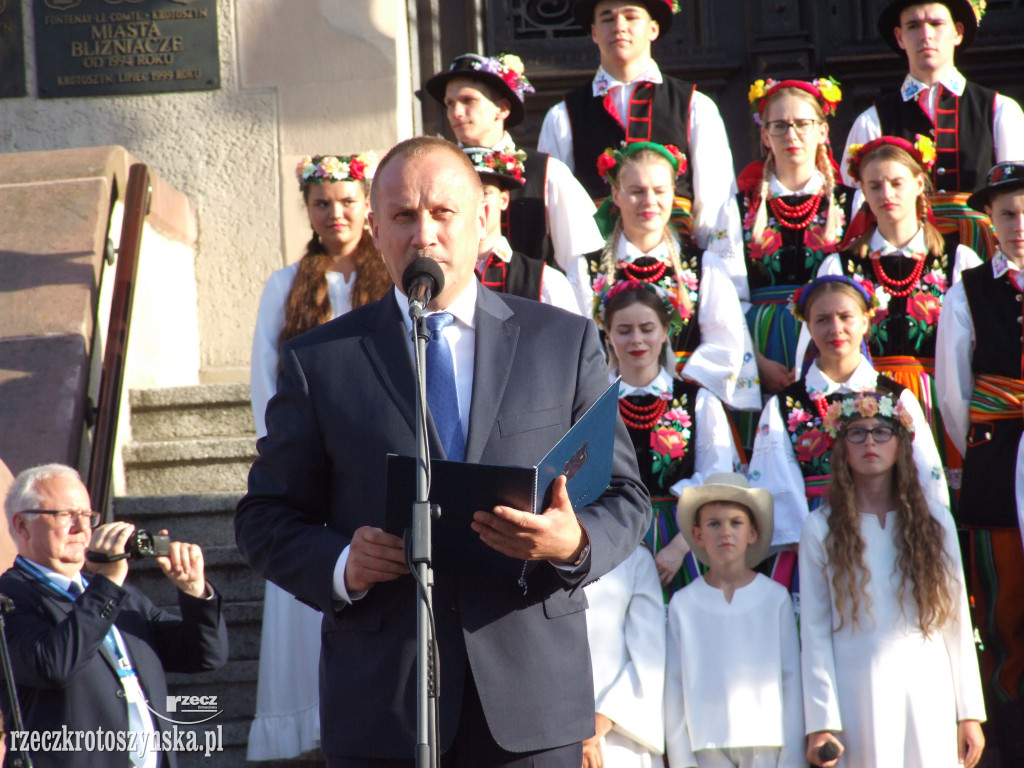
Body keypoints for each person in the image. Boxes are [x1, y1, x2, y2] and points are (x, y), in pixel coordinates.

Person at [234, 136, 650, 767]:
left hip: (531, 703)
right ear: (376, 230)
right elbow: (263, 517)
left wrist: (572, 542)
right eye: (402, 216)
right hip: (385, 705)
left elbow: (624, 495)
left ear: (484, 220)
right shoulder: (322, 361)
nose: (422, 234)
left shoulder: (561, 343)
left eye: (442, 213)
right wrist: (344, 561)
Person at [247, 151, 392, 760]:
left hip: (374, 474)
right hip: (310, 475)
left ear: (367, 206)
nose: (336, 214)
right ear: (308, 210)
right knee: (311, 600)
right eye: (322, 203)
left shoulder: (390, 282)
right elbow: (265, 384)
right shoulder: (285, 286)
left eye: (347, 201)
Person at [800, 391, 985, 768]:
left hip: (928, 684)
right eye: (856, 433)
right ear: (842, 449)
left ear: (900, 444)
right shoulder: (819, 528)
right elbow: (814, 631)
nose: (869, 441)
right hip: (858, 688)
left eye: (881, 431)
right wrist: (822, 722)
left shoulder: (935, 521)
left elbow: (956, 622)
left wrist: (969, 713)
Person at [0, 464, 229, 768]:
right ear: (22, 525)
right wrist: (107, 583)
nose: (82, 529)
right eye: (66, 515)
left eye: (88, 516)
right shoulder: (10, 596)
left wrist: (194, 592)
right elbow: (52, 664)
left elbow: (203, 655)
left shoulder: (121, 596)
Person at [538, 0, 747, 303]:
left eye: (631, 16)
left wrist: (716, 282)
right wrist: (580, 283)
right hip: (598, 282)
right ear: (594, 32)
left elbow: (716, 204)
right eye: (607, 18)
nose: (619, 26)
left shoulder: (695, 106)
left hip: (682, 274)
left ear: (653, 28)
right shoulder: (563, 116)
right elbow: (554, 214)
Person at [747, 275, 946, 574]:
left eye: (845, 317)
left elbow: (925, 475)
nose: (835, 329)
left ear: (866, 322)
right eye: (823, 319)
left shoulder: (895, 397)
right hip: (814, 544)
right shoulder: (785, 404)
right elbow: (777, 483)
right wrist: (812, 543)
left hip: (888, 534)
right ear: (809, 327)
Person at [818, 135, 981, 499]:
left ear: (919, 184)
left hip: (943, 399)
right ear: (861, 190)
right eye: (874, 185)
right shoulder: (841, 265)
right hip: (867, 405)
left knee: (942, 504)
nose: (886, 193)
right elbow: (816, 346)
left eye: (896, 183)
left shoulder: (959, 260)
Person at [936, 160, 1024, 766]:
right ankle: (1010, 735)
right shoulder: (966, 292)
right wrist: (984, 452)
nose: (1019, 224)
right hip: (1000, 460)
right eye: (1008, 214)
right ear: (988, 221)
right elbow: (951, 391)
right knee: (1004, 599)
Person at [840, 0, 1024, 257]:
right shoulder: (872, 120)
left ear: (957, 32)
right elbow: (857, 201)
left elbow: (1017, 197)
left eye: (936, 24)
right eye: (914, 26)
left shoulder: (999, 110)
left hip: (985, 256)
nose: (926, 35)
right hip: (906, 259)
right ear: (900, 37)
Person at [588, 141, 760, 413]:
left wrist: (673, 385)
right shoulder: (587, 268)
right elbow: (581, 347)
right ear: (616, 195)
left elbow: (725, 342)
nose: (649, 201)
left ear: (673, 195)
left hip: (687, 403)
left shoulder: (704, 266)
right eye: (636, 191)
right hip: (608, 404)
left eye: (659, 190)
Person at [594, 274, 739, 596]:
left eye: (647, 329)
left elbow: (717, 480)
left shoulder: (698, 400)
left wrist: (678, 548)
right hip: (613, 539)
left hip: (684, 539)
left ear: (664, 332)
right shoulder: (594, 403)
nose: (636, 340)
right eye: (624, 330)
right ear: (608, 335)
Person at [423, 52, 604, 309]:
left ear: (503, 108)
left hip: (533, 314)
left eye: (468, 100)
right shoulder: (437, 173)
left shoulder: (547, 172)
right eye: (450, 103)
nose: (456, 112)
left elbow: (579, 264)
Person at [666, 473, 803, 768]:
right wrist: (681, 760)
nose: (724, 532)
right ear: (698, 534)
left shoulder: (775, 598)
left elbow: (791, 679)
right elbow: (674, 687)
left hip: (768, 745)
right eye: (714, 523)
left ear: (752, 533)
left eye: (735, 522)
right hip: (705, 747)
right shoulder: (683, 604)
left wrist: (792, 758)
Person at [741, 77, 853, 396]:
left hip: (832, 340)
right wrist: (755, 362)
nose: (791, 135)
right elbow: (728, 296)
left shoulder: (850, 203)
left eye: (802, 123)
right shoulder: (738, 208)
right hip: (762, 346)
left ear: (822, 131)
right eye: (779, 125)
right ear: (765, 135)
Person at [461, 145, 581, 314]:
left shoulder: (546, 282)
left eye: (485, 192)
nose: (476, 204)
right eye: (465, 193)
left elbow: (573, 339)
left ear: (503, 200)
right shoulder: (439, 278)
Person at [582, 544, 665, 768]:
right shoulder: (528, 554)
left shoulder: (634, 556)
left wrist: (599, 726)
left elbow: (650, 653)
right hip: (552, 735)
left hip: (620, 733)